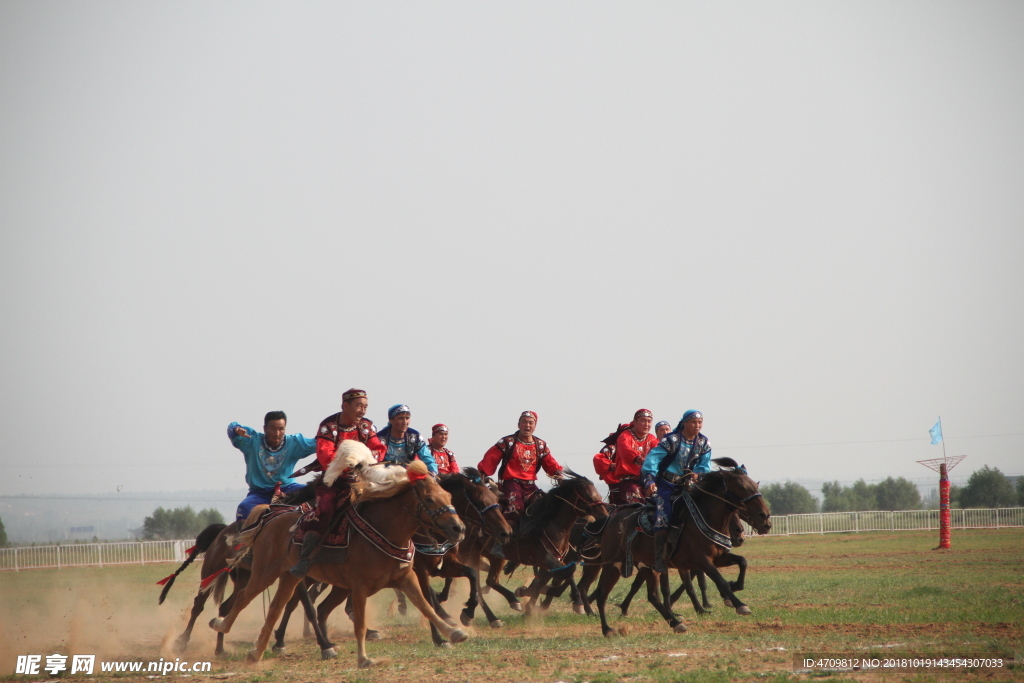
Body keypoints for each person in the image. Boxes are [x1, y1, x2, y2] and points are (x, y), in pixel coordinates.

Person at [290, 389, 386, 578]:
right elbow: (326, 456)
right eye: (359, 406)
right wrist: (351, 461)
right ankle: (305, 558)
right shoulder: (329, 427)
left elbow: (379, 449)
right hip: (334, 482)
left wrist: (366, 459)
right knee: (325, 510)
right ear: (345, 406)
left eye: (365, 407)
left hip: (363, 480)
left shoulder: (367, 427)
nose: (363, 411)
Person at [641, 410, 713, 573]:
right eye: (693, 422)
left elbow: (704, 465)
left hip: (689, 486)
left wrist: (698, 474)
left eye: (700, 423)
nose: (697, 426)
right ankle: (659, 558)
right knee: (663, 515)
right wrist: (650, 479)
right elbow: (653, 459)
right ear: (684, 423)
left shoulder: (703, 443)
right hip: (666, 485)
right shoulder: (671, 440)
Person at [478, 411, 564, 528]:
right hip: (511, 484)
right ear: (518, 425)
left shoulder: (540, 445)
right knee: (516, 508)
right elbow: (491, 458)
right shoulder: (507, 442)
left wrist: (558, 474)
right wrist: (482, 473)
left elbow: (550, 464)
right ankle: (504, 541)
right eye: (524, 422)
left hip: (531, 486)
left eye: (530, 423)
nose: (527, 425)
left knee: (546, 507)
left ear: (535, 426)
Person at [228, 411, 317, 522]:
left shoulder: (294, 443)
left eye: (281, 429)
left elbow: (321, 443)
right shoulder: (252, 442)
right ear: (265, 429)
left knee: (315, 497)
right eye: (273, 429)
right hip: (259, 494)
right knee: (243, 509)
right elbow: (232, 428)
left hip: (288, 489)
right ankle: (241, 539)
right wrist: (236, 429)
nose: (277, 433)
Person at [609, 409, 659, 505]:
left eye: (649, 421)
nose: (646, 424)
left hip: (648, 479)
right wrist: (640, 459)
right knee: (637, 501)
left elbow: (656, 456)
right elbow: (626, 451)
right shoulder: (625, 436)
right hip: (629, 481)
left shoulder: (652, 438)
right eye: (643, 420)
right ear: (635, 422)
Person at [375, 404, 438, 475]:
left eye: (407, 418)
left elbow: (428, 459)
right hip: (384, 478)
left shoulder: (415, 437)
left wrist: (433, 473)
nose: (405, 422)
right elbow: (373, 462)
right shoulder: (380, 438)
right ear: (391, 420)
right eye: (401, 418)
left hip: (406, 478)